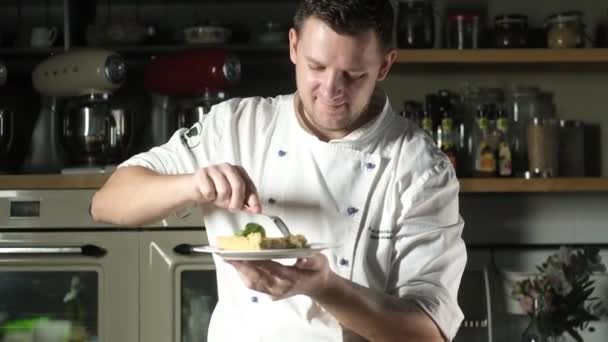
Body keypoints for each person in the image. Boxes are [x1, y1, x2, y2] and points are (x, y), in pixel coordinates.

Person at [91, 0, 467, 341]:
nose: (331, 89)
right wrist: (193, 184)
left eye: (353, 75)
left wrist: (325, 288)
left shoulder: (419, 167)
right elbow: (107, 203)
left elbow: (428, 333)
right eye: (316, 67)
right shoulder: (236, 125)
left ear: (384, 65)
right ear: (293, 46)